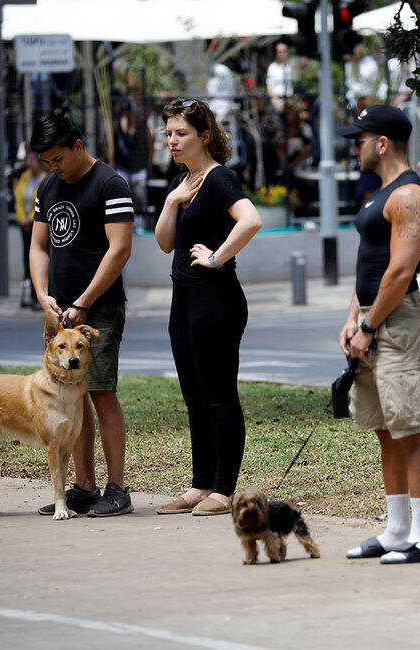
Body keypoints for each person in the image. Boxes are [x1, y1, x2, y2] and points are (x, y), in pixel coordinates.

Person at [336, 105, 420, 564]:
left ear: (382, 143)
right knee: (384, 428)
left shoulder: (410, 196)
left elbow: (400, 272)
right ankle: (397, 529)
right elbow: (371, 265)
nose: (353, 148)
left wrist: (369, 324)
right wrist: (352, 317)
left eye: (358, 140)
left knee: (409, 427)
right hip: (372, 318)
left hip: (396, 322)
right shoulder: (379, 194)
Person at [153, 98, 263, 517]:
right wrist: (171, 202)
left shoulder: (218, 179)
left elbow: (250, 220)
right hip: (183, 298)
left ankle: (223, 488)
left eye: (181, 133)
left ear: (205, 136)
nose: (172, 141)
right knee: (194, 397)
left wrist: (217, 256)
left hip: (215, 300)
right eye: (168, 133)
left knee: (218, 396)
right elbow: (166, 244)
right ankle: (200, 484)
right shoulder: (184, 183)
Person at [29, 110, 135, 518]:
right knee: (70, 397)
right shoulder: (48, 187)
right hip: (59, 311)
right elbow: (39, 246)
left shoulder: (109, 184)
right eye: (46, 162)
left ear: (78, 145)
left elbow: (120, 249)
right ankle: (84, 486)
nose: (53, 168)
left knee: (101, 392)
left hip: (99, 308)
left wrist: (85, 301)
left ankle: (117, 488)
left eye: (58, 158)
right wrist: (43, 294)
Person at [13, 149, 47, 307]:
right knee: (27, 257)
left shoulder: (44, 179)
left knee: (38, 256)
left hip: (36, 224)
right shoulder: (25, 176)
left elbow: (40, 203)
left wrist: (31, 219)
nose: (28, 163)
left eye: (31, 159)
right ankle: (32, 295)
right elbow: (19, 198)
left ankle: (38, 295)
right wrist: (21, 218)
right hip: (25, 225)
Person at [266, 41, 294, 115]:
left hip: (289, 102)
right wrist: (276, 101)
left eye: (284, 51)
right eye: (280, 52)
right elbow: (270, 87)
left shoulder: (289, 66)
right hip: (276, 102)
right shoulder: (273, 67)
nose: (282, 54)